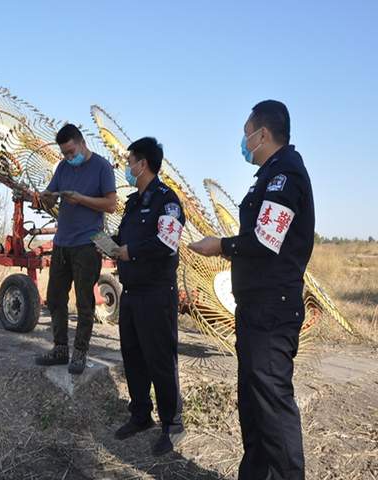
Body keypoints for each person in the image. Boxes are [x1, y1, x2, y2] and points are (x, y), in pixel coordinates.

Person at [189, 100, 314, 480]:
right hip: (256, 309)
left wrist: (221, 246)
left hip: (271, 313)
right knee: (255, 408)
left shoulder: (285, 176)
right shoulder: (268, 176)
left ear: (262, 134)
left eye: (246, 135)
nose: (244, 143)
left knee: (273, 407)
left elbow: (265, 241)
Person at [110, 137, 186, 456]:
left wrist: (131, 251)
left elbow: (167, 242)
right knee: (133, 356)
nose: (127, 168)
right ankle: (141, 415)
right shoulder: (133, 202)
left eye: (129, 162)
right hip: (132, 293)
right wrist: (108, 242)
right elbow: (126, 237)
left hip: (157, 293)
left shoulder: (167, 200)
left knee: (159, 359)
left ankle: (172, 424)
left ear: (143, 164)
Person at [35, 123, 117, 374]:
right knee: (56, 298)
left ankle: (80, 352)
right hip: (62, 243)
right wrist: (44, 197)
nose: (69, 158)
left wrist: (80, 199)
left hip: (87, 245)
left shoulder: (102, 167)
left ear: (82, 143)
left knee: (84, 302)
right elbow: (51, 194)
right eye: (65, 154)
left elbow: (111, 204)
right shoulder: (62, 168)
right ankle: (60, 348)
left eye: (72, 152)